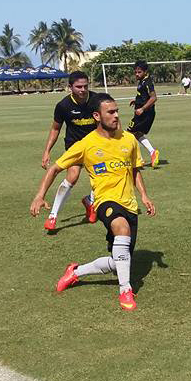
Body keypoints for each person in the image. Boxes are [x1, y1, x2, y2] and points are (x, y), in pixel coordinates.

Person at [30, 93, 157, 311]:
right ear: (97, 116)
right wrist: (40, 196)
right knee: (121, 228)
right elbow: (55, 168)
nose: (116, 115)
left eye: (117, 111)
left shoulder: (128, 140)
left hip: (130, 204)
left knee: (120, 262)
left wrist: (143, 195)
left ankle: (75, 272)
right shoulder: (86, 144)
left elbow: (135, 169)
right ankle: (125, 290)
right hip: (104, 201)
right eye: (111, 112)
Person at [40, 71, 98, 231]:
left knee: (100, 178)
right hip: (74, 145)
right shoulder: (63, 105)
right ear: (70, 87)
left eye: (86, 86)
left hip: (96, 146)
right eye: (79, 86)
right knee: (72, 177)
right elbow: (55, 129)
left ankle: (90, 201)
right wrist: (47, 151)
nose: (83, 90)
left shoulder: (97, 100)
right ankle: (53, 216)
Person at [129, 60, 161, 167]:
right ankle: (152, 153)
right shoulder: (142, 81)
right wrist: (136, 101)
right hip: (142, 113)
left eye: (139, 72)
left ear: (145, 72)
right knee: (137, 134)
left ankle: (138, 160)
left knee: (130, 135)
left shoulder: (147, 82)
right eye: (136, 72)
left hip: (145, 114)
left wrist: (142, 108)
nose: (137, 74)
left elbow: (153, 98)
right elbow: (144, 96)